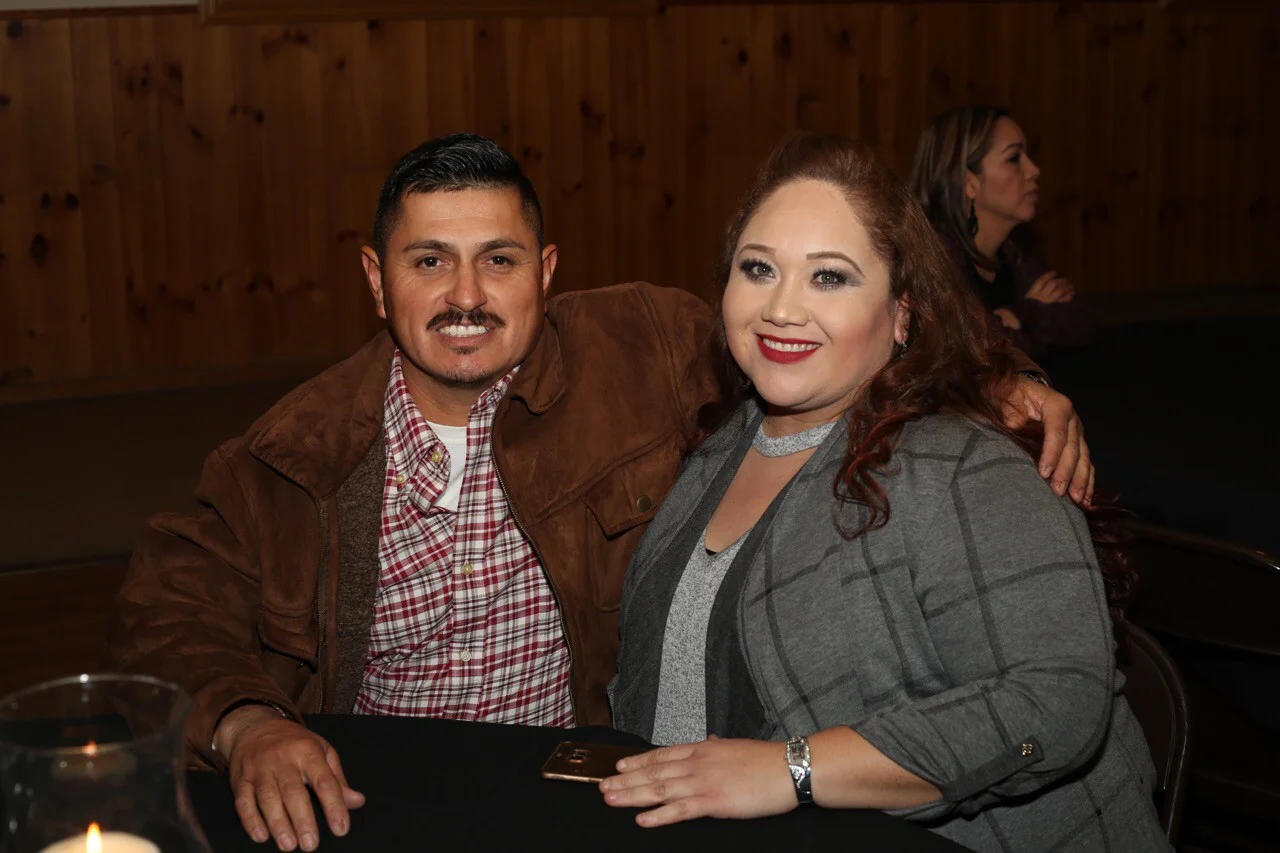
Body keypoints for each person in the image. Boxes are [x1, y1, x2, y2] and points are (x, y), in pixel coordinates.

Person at [107, 133, 1094, 852]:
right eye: (429, 261)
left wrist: (997, 377)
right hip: (381, 796)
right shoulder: (292, 455)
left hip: (569, 793)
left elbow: (824, 324)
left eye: (498, 260)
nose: (465, 294)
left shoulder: (641, 348)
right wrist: (250, 723)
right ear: (375, 279)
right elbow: (166, 612)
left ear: (545, 272)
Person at [606, 134, 1168, 852]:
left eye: (829, 277)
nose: (782, 307)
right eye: (758, 268)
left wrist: (792, 769)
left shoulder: (965, 465)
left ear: (903, 313)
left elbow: (1058, 705)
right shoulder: (720, 447)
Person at [910, 105, 1095, 358]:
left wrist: (1020, 314)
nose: (1034, 170)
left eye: (1027, 156)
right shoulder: (934, 255)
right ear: (969, 182)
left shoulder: (1013, 250)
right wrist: (1029, 318)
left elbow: (1081, 321)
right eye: (1014, 159)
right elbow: (976, 350)